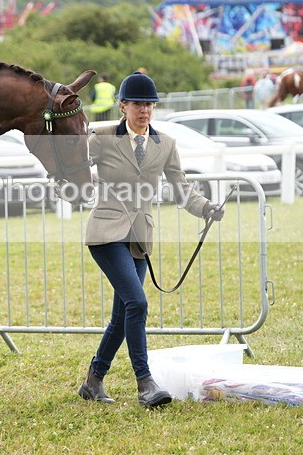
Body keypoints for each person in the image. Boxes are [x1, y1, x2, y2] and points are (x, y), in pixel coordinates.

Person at [78, 71, 224, 408]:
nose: (144, 110)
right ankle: (145, 383)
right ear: (122, 106)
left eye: (149, 104)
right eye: (137, 104)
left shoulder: (166, 144)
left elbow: (182, 188)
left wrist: (206, 208)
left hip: (140, 237)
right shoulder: (100, 137)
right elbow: (71, 167)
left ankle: (93, 381)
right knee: (138, 303)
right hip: (105, 232)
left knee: (122, 315)